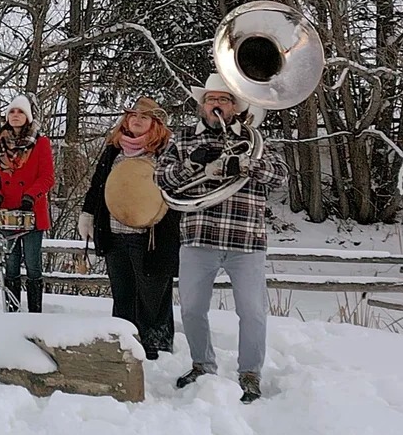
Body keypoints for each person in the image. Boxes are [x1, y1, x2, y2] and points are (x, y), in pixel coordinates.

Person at [156, 73, 288, 403]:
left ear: (235, 106)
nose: (216, 104)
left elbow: (280, 177)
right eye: (211, 99)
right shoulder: (184, 139)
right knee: (192, 309)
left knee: (252, 312)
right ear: (202, 106)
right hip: (199, 237)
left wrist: (247, 165)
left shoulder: (255, 140)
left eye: (224, 100)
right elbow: (161, 178)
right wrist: (191, 165)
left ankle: (250, 374)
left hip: (246, 240)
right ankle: (202, 366)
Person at [78, 96, 180, 358]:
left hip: (150, 238)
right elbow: (98, 185)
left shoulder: (165, 153)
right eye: (133, 115)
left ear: (155, 124)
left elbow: (177, 193)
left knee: (152, 295)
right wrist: (88, 214)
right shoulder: (114, 150)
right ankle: (124, 344)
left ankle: (155, 348)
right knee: (122, 293)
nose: (136, 119)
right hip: (114, 233)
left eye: (144, 117)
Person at [0, 94, 55, 312]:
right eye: (12, 112)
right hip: (7, 211)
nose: (16, 116)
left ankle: (35, 312)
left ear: (28, 116)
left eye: (21, 112)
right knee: (11, 263)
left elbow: (47, 177)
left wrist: (31, 195)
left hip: (31, 210)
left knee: (33, 264)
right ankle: (12, 310)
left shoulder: (41, 143)